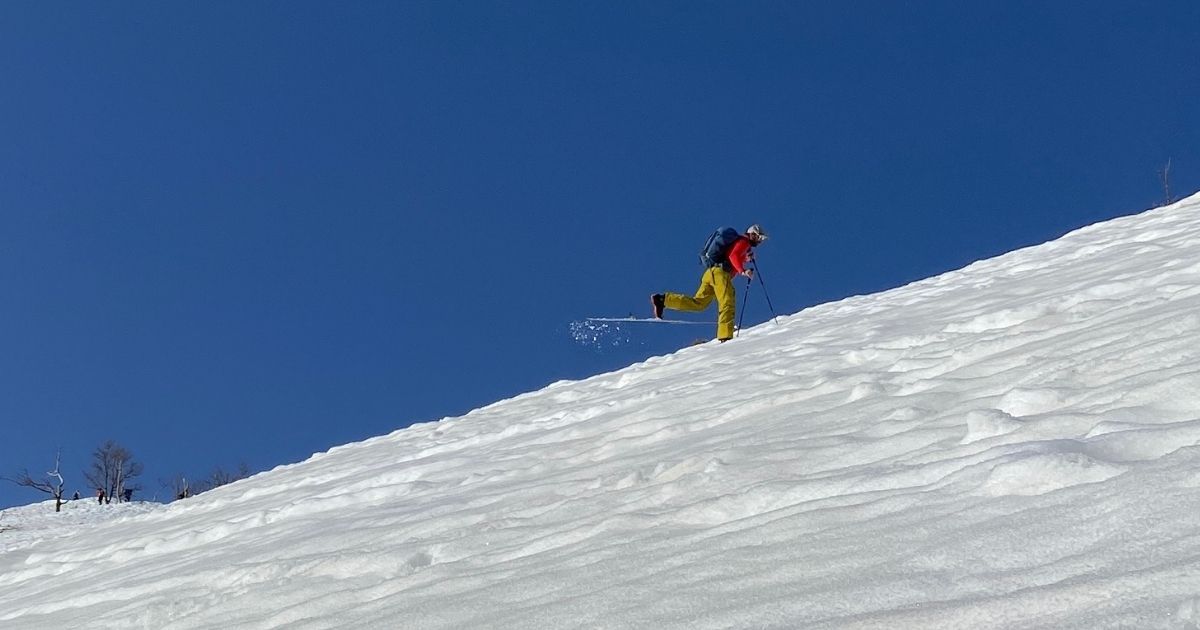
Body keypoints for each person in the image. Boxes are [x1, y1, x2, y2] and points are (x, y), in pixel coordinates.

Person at [651, 224, 768, 341]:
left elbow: (731, 256)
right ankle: (725, 335)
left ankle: (663, 300)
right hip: (720, 274)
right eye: (759, 238)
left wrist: (745, 259)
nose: (760, 241)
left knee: (699, 303)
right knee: (727, 300)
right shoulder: (744, 241)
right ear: (752, 234)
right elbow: (733, 256)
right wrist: (743, 271)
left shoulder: (741, 244)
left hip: (710, 273)